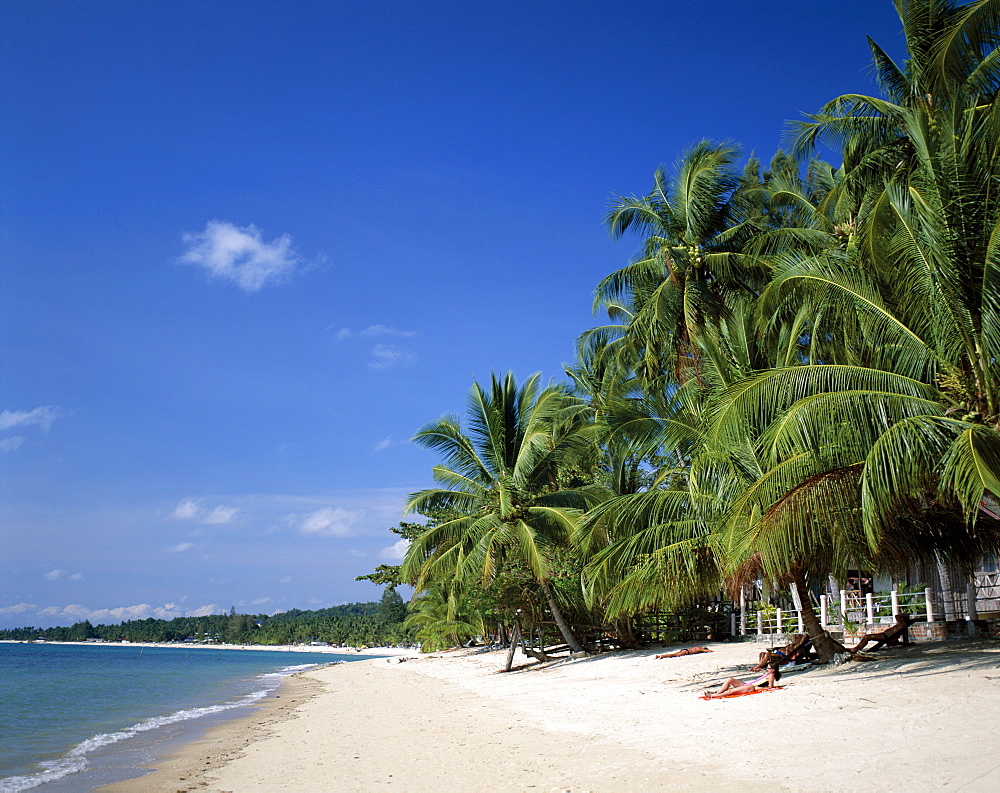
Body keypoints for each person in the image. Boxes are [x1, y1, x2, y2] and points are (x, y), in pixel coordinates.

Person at [704, 665, 781, 698]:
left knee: (731, 691)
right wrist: (758, 669)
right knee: (729, 679)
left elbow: (770, 687)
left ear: (773, 670)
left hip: (752, 687)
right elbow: (762, 672)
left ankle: (713, 696)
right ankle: (718, 693)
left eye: (768, 668)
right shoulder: (767, 674)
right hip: (748, 684)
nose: (767, 669)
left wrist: (758, 688)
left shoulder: (771, 676)